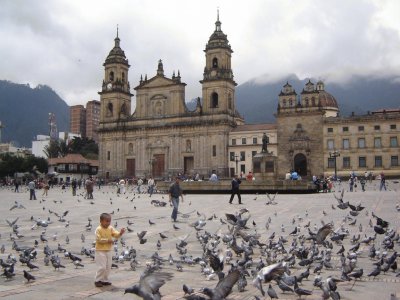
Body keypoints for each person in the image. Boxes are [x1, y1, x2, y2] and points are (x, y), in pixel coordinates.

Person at [94, 213, 125, 287]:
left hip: (108, 250)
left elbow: (115, 234)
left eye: (109, 221)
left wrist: (120, 233)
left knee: (108, 266)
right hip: (100, 250)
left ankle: (105, 280)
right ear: (101, 221)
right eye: (106, 221)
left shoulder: (110, 228)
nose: (108, 223)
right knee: (102, 267)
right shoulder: (98, 229)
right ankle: (97, 280)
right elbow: (98, 239)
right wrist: (107, 240)